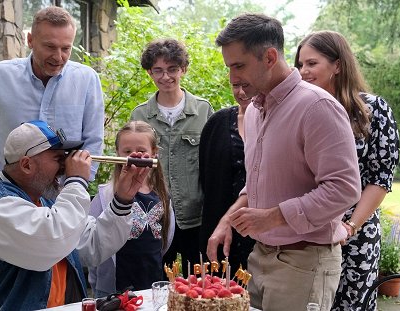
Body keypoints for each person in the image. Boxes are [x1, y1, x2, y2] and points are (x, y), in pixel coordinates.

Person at [206, 13, 361, 311]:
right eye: (229, 67)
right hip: (260, 256)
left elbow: (344, 189)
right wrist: (228, 220)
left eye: (239, 66)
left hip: (304, 261)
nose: (232, 79)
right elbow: (259, 181)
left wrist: (274, 217)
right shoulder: (254, 110)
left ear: (270, 57)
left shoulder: (318, 106)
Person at [0, 120, 150, 310]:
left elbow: (91, 245)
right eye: (59, 159)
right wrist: (76, 181)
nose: (65, 167)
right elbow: (54, 238)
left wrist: (123, 198)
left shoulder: (45, 201)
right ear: (26, 165)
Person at [294, 30, 400, 311]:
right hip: (306, 235)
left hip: (355, 236)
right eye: (300, 64)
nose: (303, 71)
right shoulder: (298, 110)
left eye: (311, 63)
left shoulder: (372, 110)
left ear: (338, 65)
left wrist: (349, 227)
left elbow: (380, 178)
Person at [0, 6, 104, 189]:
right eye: (50, 46)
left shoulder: (87, 79)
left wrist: (77, 188)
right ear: (30, 40)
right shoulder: (0, 76)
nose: (58, 57)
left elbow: (93, 141)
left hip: (63, 198)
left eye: (66, 48)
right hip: (5, 195)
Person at [130, 38, 213, 277]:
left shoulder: (204, 111)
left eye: (172, 69)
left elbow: (213, 166)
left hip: (194, 214)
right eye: (158, 70)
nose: (165, 76)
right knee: (153, 281)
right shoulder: (140, 114)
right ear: (149, 72)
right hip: (154, 213)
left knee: (198, 282)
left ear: (183, 69)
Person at [88, 121, 175, 297]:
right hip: (113, 289)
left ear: (154, 153)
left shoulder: (163, 195)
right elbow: (91, 242)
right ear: (118, 153)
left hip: (151, 285)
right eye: (127, 151)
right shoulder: (105, 195)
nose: (135, 155)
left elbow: (166, 241)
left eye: (142, 151)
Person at [199, 82, 256, 275]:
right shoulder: (217, 123)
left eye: (247, 85)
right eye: (235, 85)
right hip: (220, 228)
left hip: (261, 229)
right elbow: (206, 178)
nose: (241, 92)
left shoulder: (276, 122)